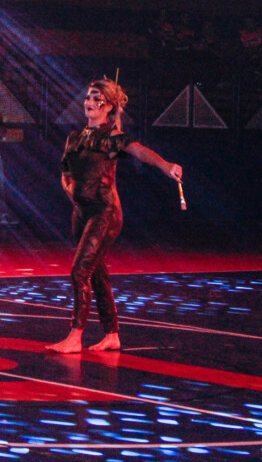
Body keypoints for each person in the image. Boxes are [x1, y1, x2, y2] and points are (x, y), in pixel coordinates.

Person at [46, 79, 182, 354]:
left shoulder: (113, 138)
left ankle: (75, 337)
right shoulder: (75, 137)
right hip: (80, 212)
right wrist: (69, 189)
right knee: (96, 275)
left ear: (108, 106)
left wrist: (166, 166)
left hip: (105, 212)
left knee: (79, 272)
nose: (89, 102)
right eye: (88, 97)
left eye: (96, 98)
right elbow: (65, 171)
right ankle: (112, 334)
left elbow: (140, 152)